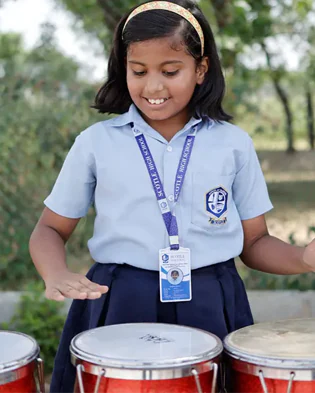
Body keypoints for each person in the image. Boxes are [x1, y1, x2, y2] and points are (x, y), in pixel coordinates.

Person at [29, 1, 315, 392]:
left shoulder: (233, 144)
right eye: (139, 71)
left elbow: (255, 243)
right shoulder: (95, 143)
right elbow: (49, 229)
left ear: (201, 70)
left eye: (170, 71)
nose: (153, 87)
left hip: (212, 300)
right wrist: (55, 272)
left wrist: (303, 258)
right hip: (119, 301)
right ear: (123, 69)